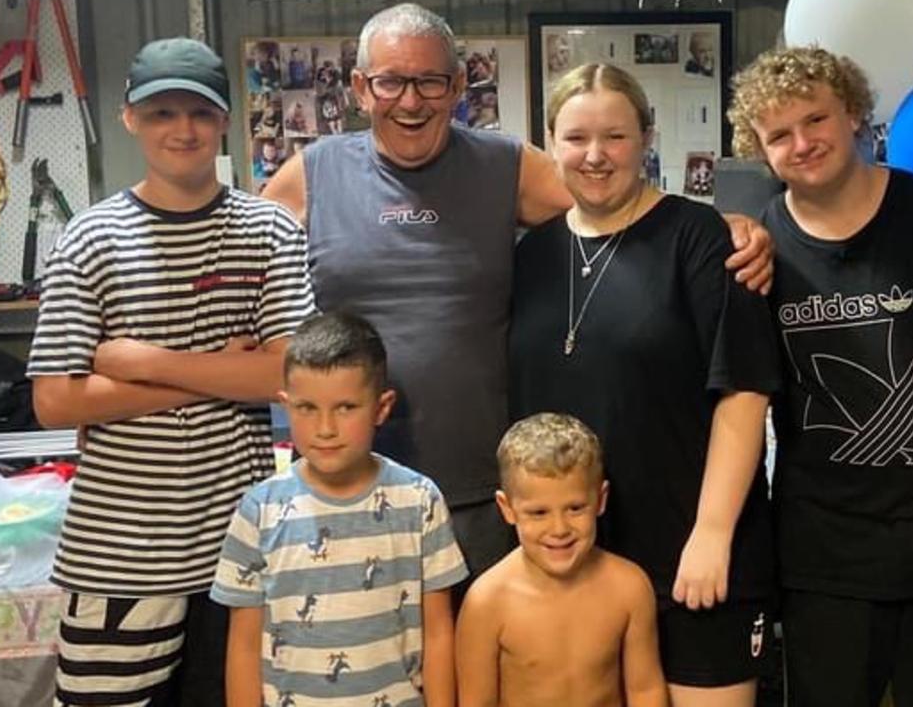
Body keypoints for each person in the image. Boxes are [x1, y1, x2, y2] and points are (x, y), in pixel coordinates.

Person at [261, 3, 775, 587]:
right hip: (346, 487)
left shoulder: (504, 166)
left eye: (430, 81)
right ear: (358, 87)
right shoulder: (309, 176)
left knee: (484, 671)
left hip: (486, 499)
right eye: (390, 81)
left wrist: (724, 226)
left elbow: (612, 194)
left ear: (457, 86)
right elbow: (247, 284)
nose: (410, 101)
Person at [728, 46, 913, 707]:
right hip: (822, 553)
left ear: (855, 115)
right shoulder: (758, 248)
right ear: (756, 148)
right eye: (778, 134)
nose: (802, 143)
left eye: (816, 120)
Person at [26, 37, 315, 706]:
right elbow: (56, 402)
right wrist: (223, 368)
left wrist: (139, 363)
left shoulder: (269, 230)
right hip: (117, 555)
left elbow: (289, 378)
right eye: (162, 113)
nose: (181, 129)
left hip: (239, 547)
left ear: (223, 120)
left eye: (198, 112)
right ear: (130, 117)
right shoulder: (90, 238)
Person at [509, 63, 782, 707]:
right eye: (576, 138)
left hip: (691, 553)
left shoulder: (706, 241)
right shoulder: (532, 256)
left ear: (647, 139)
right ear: (550, 143)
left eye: (616, 137)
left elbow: (743, 394)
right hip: (576, 555)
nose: (595, 156)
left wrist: (712, 534)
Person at [211, 312, 467, 707]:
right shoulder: (258, 510)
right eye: (307, 408)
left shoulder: (420, 501)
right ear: (286, 405)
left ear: (381, 408)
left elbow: (438, 633)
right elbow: (244, 646)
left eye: (345, 407)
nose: (325, 428)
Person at [457, 412, 668, 707]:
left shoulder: (630, 587)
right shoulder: (486, 602)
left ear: (601, 498)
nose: (559, 529)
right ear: (507, 508)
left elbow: (645, 691)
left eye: (575, 508)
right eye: (538, 512)